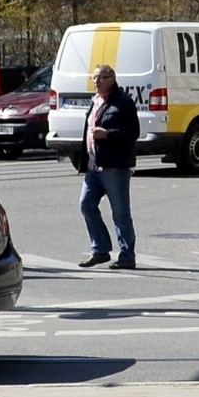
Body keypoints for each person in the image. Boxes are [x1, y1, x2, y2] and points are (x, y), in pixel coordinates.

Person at [77, 63, 138, 269]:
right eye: (94, 78)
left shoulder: (123, 102)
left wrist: (107, 134)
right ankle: (100, 250)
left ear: (112, 78)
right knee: (86, 204)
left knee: (120, 213)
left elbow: (132, 134)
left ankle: (127, 256)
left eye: (100, 78)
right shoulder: (95, 101)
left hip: (114, 166)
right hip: (94, 166)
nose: (96, 82)